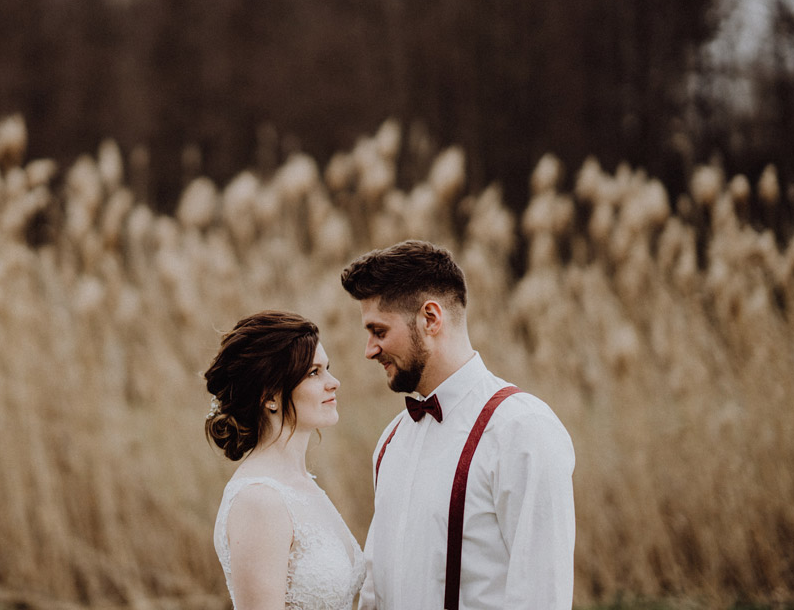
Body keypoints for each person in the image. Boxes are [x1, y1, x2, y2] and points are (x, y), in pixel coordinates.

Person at [340, 240, 575, 610]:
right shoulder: (391, 440)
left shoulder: (522, 429)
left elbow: (541, 592)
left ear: (430, 319)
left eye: (379, 331)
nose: (368, 349)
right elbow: (376, 586)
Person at [205, 310, 366, 610]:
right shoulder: (259, 500)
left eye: (327, 368)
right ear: (271, 396)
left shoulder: (303, 485)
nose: (334, 383)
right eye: (314, 373)